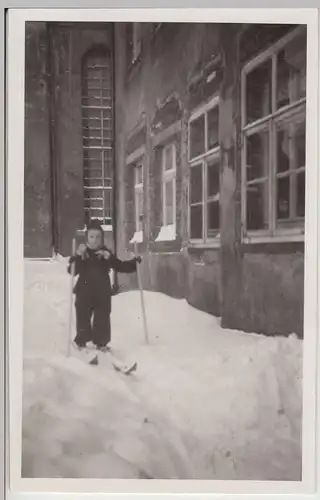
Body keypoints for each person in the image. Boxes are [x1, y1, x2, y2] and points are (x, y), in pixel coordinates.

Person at [67, 219, 141, 351]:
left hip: (102, 292)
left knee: (102, 317)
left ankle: (101, 343)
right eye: (91, 237)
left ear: (101, 238)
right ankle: (81, 342)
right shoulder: (82, 254)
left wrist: (134, 263)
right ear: (87, 238)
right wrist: (78, 255)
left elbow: (120, 266)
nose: (94, 240)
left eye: (97, 237)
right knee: (82, 316)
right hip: (84, 292)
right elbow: (72, 271)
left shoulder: (105, 254)